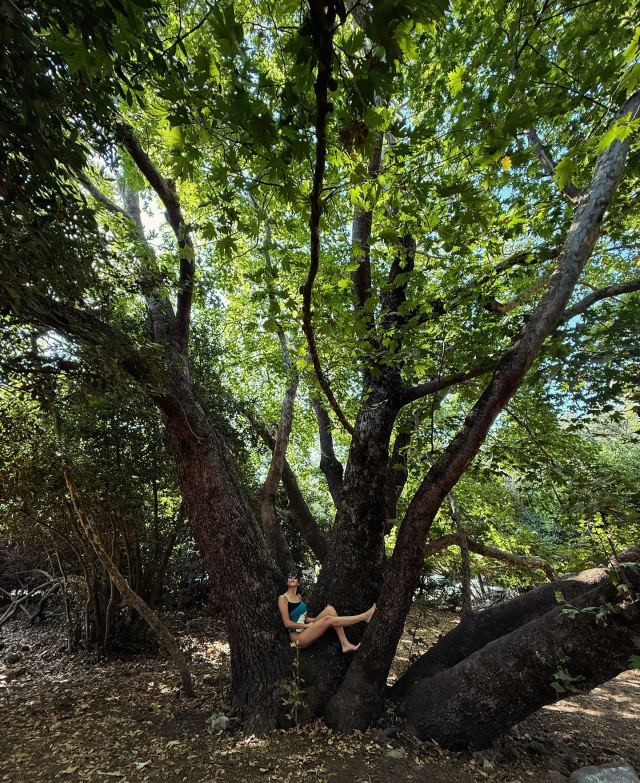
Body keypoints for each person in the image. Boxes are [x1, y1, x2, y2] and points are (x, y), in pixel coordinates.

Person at [278, 571, 375, 652]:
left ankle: (345, 644)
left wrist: (316, 621)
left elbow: (305, 618)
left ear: (298, 582)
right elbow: (287, 623)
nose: (292, 578)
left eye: (295, 577)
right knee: (328, 619)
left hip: (306, 629)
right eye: (289, 577)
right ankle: (364, 617)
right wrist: (306, 626)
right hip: (298, 638)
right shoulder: (283, 598)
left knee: (330, 610)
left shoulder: (299, 597)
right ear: (286, 582)